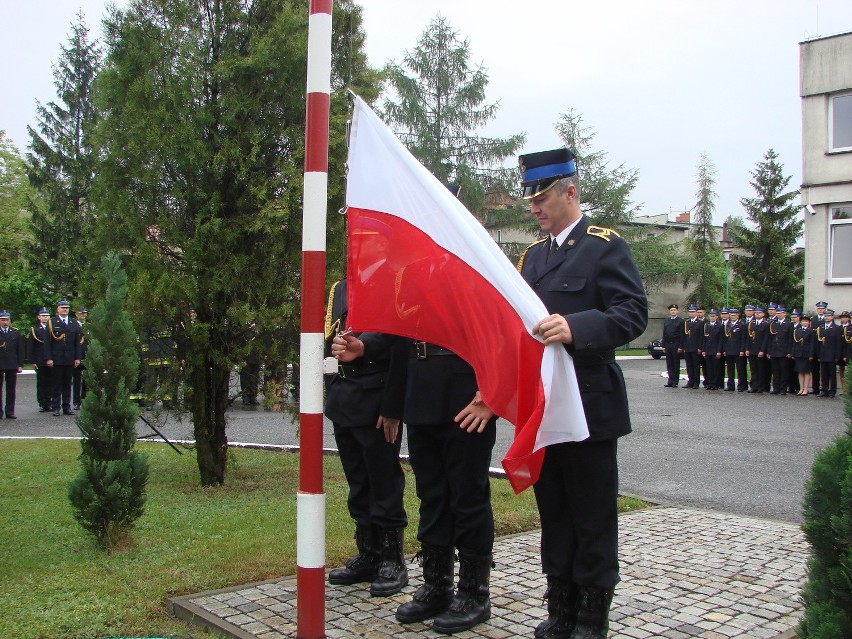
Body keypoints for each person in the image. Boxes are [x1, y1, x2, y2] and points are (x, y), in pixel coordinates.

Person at [516, 148, 647, 638]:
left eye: (542, 197)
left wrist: (576, 326)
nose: (535, 208)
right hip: (546, 406)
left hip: (590, 402)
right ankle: (562, 606)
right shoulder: (533, 257)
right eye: (531, 199)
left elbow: (631, 313)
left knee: (592, 514)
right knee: (555, 511)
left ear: (570, 191)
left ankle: (593, 614)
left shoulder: (604, 246)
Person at [324, 278, 409, 597]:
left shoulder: (393, 284)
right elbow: (329, 340)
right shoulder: (341, 288)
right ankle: (369, 553)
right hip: (344, 397)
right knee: (358, 481)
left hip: (377, 400)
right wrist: (330, 388)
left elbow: (400, 347)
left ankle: (392, 560)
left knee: (383, 481)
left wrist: (392, 407)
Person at [44, 300, 82, 416]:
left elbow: (77, 343)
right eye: (63, 308)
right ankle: (56, 407)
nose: (65, 309)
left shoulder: (73, 323)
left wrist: (77, 358)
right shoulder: (52, 322)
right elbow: (47, 343)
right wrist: (49, 358)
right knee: (56, 384)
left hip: (69, 358)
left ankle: (67, 406)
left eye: (67, 308)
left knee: (67, 384)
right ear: (58, 309)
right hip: (57, 358)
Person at [26, 308, 53, 412]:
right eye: (43, 316)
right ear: (39, 317)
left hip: (51, 359)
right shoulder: (35, 329)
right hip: (40, 359)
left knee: (50, 381)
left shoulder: (53, 328)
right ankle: (42, 403)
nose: (45, 317)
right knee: (41, 382)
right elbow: (31, 347)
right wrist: (33, 361)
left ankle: (49, 402)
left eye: (47, 315)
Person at [0, 310, 25, 419]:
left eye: (7, 320)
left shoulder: (15, 332)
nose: (5, 322)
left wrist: (20, 364)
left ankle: (10, 411)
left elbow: (20, 350)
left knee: (11, 389)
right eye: (2, 320)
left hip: (12, 363)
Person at [816, 309, 841, 397]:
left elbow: (838, 344)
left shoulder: (837, 328)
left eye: (828, 316)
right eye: (825, 316)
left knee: (832, 374)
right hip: (823, 354)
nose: (826, 318)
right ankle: (824, 390)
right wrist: (818, 355)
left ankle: (832, 391)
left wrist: (837, 356)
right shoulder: (821, 327)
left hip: (832, 354)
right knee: (823, 374)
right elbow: (818, 343)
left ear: (832, 317)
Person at [789, 312, 814, 396]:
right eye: (803, 321)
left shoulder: (811, 331)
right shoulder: (797, 330)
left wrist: (811, 355)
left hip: (806, 354)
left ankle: (806, 389)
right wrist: (793, 353)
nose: (804, 323)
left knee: (806, 371)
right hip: (798, 353)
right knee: (800, 371)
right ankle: (801, 388)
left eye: (806, 321)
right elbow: (794, 343)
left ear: (809, 322)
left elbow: (812, 344)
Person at [768, 306, 792, 394]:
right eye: (778, 313)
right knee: (775, 371)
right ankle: (776, 388)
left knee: (784, 371)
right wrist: (769, 351)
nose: (779, 314)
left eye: (781, 313)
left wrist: (789, 352)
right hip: (774, 350)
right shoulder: (773, 324)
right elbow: (770, 338)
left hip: (784, 351)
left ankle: (783, 389)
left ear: (785, 313)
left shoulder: (789, 324)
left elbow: (790, 339)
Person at [722, 308, 747, 391]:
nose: (733, 316)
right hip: (729, 350)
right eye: (731, 315)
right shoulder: (727, 325)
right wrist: (725, 350)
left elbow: (743, 339)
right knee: (730, 369)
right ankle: (730, 386)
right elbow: (725, 339)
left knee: (740, 369)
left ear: (738, 315)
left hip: (738, 350)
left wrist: (742, 350)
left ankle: (741, 386)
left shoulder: (741, 325)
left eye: (734, 315)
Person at [747, 306, 770, 393]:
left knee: (761, 369)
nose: (757, 314)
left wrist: (762, 350)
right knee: (753, 369)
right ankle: (754, 386)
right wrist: (747, 349)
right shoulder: (752, 323)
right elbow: (749, 338)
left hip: (760, 350)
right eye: (756, 313)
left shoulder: (766, 324)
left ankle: (761, 386)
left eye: (759, 313)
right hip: (752, 349)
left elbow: (766, 339)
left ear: (763, 314)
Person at [701, 309, 723, 390]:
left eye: (713, 316)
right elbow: (704, 338)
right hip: (708, 349)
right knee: (709, 368)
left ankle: (715, 383)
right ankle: (710, 383)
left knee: (715, 368)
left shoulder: (720, 325)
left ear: (717, 317)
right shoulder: (707, 325)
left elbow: (721, 340)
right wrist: (703, 350)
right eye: (711, 316)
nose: (712, 317)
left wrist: (719, 351)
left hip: (715, 350)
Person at [661, 304, 682, 387]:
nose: (673, 311)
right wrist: (663, 345)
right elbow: (664, 333)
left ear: (677, 311)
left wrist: (680, 346)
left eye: (674, 310)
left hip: (676, 344)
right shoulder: (667, 320)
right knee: (669, 364)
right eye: (671, 310)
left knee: (676, 363)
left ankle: (675, 382)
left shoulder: (680, 321)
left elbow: (681, 335)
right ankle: (670, 380)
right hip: (668, 344)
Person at [72, 306, 89, 410]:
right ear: (76, 315)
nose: (83, 315)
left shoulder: (89, 326)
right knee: (77, 381)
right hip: (77, 356)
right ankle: (76, 401)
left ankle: (85, 399)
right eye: (81, 313)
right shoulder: (73, 326)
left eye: (85, 313)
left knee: (87, 380)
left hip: (88, 356)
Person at [682, 305, 703, 389]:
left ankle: (696, 382)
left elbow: (701, 336)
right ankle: (690, 381)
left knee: (696, 366)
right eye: (690, 312)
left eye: (693, 312)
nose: (692, 313)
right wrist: (683, 346)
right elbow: (684, 335)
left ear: (696, 313)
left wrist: (699, 347)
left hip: (695, 348)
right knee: (689, 365)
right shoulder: (686, 322)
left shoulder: (700, 323)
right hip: (687, 347)